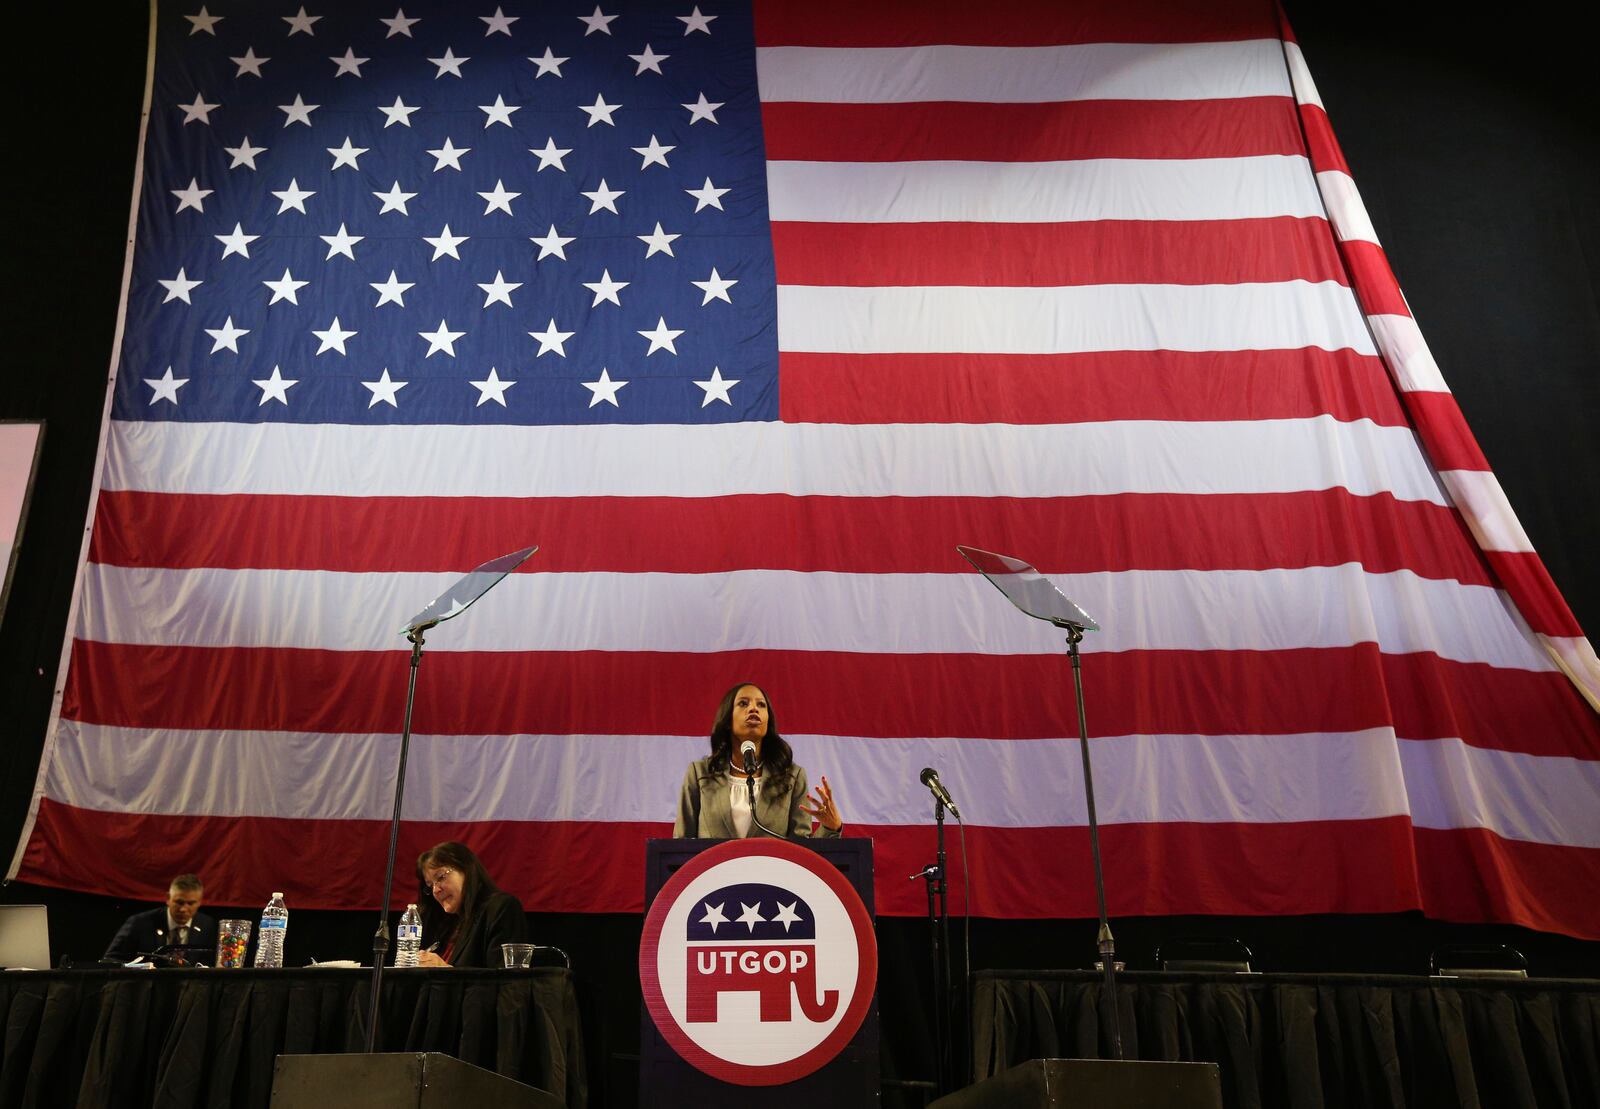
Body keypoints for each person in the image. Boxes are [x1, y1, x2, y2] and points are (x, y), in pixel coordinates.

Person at [674, 682, 844, 838]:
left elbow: (800, 852)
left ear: (767, 721)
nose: (753, 709)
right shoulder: (699, 773)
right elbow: (681, 845)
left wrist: (831, 828)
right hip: (713, 872)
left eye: (761, 705)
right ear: (727, 719)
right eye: (743, 703)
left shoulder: (792, 776)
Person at [414, 841, 530, 967]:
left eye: (441, 877)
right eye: (430, 885)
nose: (435, 890)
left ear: (466, 870)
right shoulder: (447, 923)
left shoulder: (501, 908)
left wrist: (445, 971)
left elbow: (504, 981)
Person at [103, 874, 216, 963]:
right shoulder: (139, 924)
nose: (183, 909)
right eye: (179, 902)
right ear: (168, 898)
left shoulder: (207, 926)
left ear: (200, 902)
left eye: (190, 903)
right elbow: (111, 960)